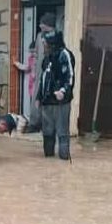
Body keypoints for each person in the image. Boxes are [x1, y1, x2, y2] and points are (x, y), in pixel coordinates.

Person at [36, 31, 75, 161]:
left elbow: (69, 77)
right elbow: (42, 79)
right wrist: (38, 97)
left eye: (45, 43)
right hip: (47, 102)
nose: (44, 46)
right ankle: (49, 162)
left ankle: (63, 160)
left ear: (52, 43)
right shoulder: (47, 57)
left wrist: (62, 91)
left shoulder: (65, 55)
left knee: (62, 133)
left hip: (61, 103)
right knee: (47, 133)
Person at [30, 12, 57, 132]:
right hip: (39, 70)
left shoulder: (56, 36)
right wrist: (33, 69)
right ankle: (34, 123)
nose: (40, 26)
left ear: (49, 25)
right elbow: (36, 54)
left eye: (43, 24)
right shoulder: (39, 36)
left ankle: (48, 125)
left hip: (51, 71)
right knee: (36, 96)